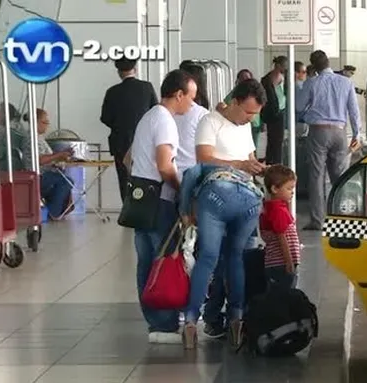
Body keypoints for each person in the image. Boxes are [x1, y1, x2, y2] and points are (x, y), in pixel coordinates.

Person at [182, 79, 267, 347]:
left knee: (211, 257)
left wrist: (256, 167)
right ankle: (234, 319)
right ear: (234, 102)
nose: (251, 118)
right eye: (248, 112)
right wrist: (240, 165)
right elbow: (204, 158)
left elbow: (249, 158)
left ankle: (193, 321)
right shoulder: (210, 122)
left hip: (222, 196)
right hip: (235, 196)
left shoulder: (244, 126)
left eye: (255, 114)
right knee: (233, 258)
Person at [128, 69, 197, 345]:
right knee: (164, 261)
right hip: (160, 201)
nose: (192, 103)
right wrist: (182, 190)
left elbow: (128, 159)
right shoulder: (166, 121)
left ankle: (155, 323)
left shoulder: (148, 117)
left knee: (146, 262)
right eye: (190, 97)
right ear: (179, 94)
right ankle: (165, 323)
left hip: (139, 200)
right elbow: (165, 165)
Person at [295, 50, 361, 230]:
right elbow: (354, 111)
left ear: (314, 66)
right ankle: (342, 218)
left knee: (316, 176)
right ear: (328, 63)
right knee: (339, 177)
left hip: (318, 132)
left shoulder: (311, 82)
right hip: (340, 132)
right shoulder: (346, 82)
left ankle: (318, 220)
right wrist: (357, 134)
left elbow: (299, 106)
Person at [100, 57, 158, 201]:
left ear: (119, 72)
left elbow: (105, 118)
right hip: (145, 141)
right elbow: (156, 112)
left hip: (120, 142)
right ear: (135, 69)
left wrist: (120, 126)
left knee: (124, 178)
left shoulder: (112, 92)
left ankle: (127, 208)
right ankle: (144, 206)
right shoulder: (147, 88)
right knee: (145, 176)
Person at [20, 108, 75, 220]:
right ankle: (52, 212)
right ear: (35, 122)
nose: (47, 126)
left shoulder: (39, 138)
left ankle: (56, 210)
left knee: (62, 178)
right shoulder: (32, 139)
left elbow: (47, 157)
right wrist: (59, 155)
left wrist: (61, 155)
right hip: (37, 176)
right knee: (66, 181)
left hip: (45, 173)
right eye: (45, 122)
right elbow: (40, 160)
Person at [260, 165, 300, 289]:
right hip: (281, 264)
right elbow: (282, 237)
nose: (292, 192)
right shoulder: (277, 210)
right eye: (289, 188)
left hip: (276, 263)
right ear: (274, 189)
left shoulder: (275, 208)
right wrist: (289, 261)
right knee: (285, 294)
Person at [261, 56, 288, 164]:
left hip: (275, 111)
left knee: (273, 139)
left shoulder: (268, 77)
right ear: (279, 65)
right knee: (276, 140)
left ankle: (271, 162)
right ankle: (275, 163)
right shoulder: (275, 77)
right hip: (276, 111)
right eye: (285, 66)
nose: (286, 68)